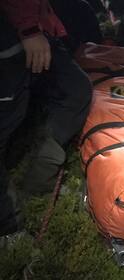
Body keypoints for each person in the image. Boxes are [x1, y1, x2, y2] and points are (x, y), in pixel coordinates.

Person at [0, 0, 92, 238]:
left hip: (34, 27)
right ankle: (7, 228)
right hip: (14, 33)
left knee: (75, 91)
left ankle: (38, 182)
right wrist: (28, 28)